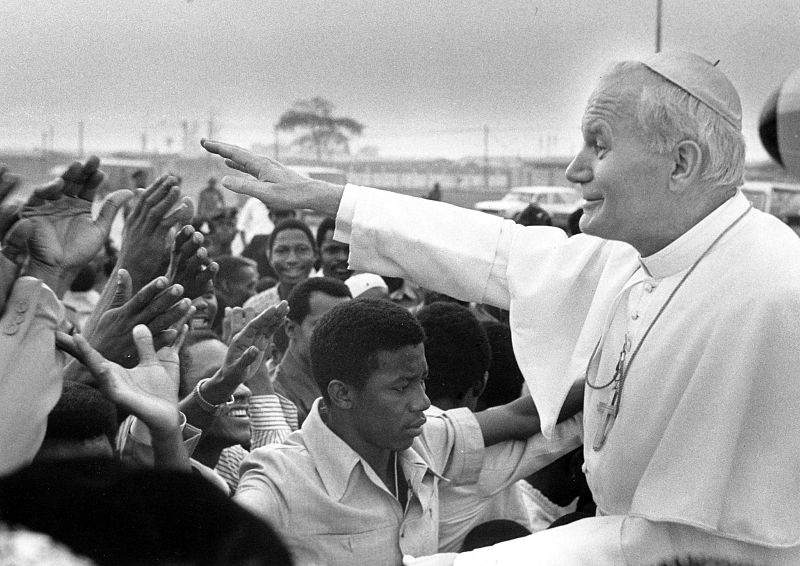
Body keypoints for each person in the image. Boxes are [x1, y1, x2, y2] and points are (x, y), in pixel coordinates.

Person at [201, 50, 800, 564]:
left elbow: (694, 539)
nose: (574, 169)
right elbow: (500, 253)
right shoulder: (631, 256)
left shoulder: (776, 290)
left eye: (600, 145)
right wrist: (332, 199)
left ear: (682, 163)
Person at [234, 299, 580, 565]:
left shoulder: (425, 439)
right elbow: (218, 544)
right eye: (402, 387)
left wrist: (617, 372)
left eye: (422, 380)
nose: (423, 401)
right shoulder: (277, 479)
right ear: (342, 394)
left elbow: (520, 417)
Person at [273, 276, 351, 424]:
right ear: (291, 329)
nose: (340, 336)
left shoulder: (349, 383)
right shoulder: (279, 399)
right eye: (325, 326)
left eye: (348, 326)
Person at [243, 218, 317, 313]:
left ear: (315, 254)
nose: (292, 260)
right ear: (269, 256)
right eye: (282, 251)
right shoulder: (253, 308)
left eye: (302, 249)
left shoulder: (331, 303)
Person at [315, 216, 352, 281]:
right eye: (333, 250)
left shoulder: (372, 288)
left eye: (349, 250)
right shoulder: (306, 290)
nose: (343, 257)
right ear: (318, 253)